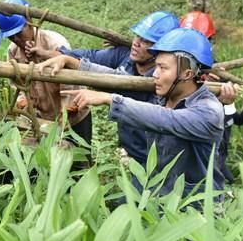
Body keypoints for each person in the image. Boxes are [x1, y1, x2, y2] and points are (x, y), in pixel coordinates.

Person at [59, 28, 226, 203]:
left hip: (192, 205)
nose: (155, 74)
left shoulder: (208, 112)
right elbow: (118, 79)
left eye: (163, 68)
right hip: (155, 186)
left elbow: (166, 119)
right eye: (156, 66)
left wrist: (111, 100)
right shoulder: (164, 94)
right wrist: (72, 62)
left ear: (187, 74)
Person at [33, 11, 180, 166]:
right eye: (137, 36)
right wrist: (59, 54)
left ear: (162, 50)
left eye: (147, 41)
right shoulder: (126, 57)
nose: (136, 43)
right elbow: (91, 55)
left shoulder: (162, 80)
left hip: (158, 157)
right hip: (133, 149)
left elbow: (122, 82)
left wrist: (71, 61)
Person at [0, 0, 92, 163]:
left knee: (79, 161)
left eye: (19, 34)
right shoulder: (13, 52)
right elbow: (16, 86)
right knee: (43, 163)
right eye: (11, 37)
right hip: (41, 118)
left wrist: (63, 117)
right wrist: (23, 102)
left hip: (72, 118)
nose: (17, 40)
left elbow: (72, 89)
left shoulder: (55, 44)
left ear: (30, 21)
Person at [179, 10, 241, 183]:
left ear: (210, 42)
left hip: (212, 140)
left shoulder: (218, 74)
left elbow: (230, 118)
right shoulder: (170, 66)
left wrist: (225, 104)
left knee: (213, 168)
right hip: (180, 136)